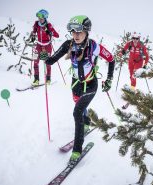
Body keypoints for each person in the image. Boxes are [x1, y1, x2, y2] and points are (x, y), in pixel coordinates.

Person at [45, 15, 115, 161]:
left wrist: (109, 79)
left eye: (79, 32)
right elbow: (52, 60)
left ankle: (77, 150)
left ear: (86, 32)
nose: (76, 35)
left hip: (90, 85)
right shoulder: (68, 44)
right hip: (76, 84)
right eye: (73, 32)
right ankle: (87, 122)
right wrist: (45, 58)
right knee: (80, 106)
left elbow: (111, 59)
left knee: (76, 112)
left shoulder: (94, 46)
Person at [30, 9, 59, 86]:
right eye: (38, 16)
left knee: (47, 63)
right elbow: (34, 31)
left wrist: (50, 32)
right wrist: (32, 35)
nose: (39, 18)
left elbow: (57, 35)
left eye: (41, 17)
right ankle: (36, 79)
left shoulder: (48, 25)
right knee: (35, 62)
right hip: (38, 46)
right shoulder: (36, 23)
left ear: (45, 17)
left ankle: (48, 79)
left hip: (46, 46)